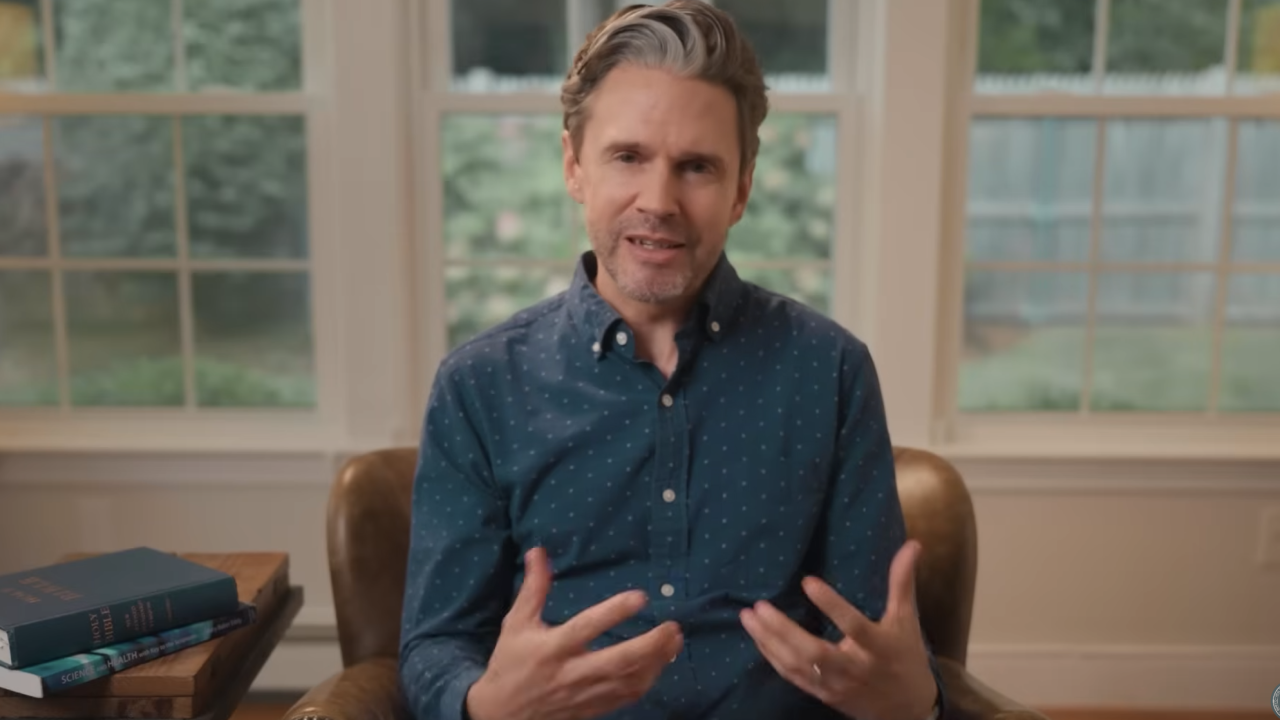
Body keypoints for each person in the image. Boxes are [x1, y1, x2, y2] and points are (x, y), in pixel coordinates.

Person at [399, 2, 946, 719]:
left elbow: (879, 649)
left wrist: (917, 703)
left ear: (741, 188)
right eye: (628, 157)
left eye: (696, 167)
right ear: (574, 165)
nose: (658, 202)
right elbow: (434, 646)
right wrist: (483, 705)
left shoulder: (830, 370)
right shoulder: (478, 386)